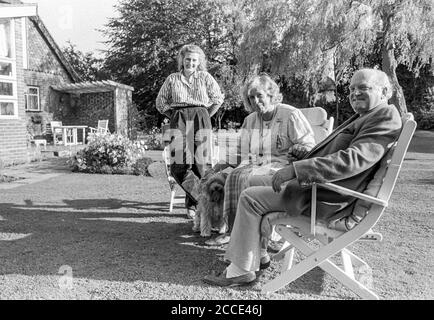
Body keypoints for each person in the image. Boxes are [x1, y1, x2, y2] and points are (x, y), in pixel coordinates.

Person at [203, 68, 403, 286]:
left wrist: (295, 170)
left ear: (384, 92)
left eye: (363, 88)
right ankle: (255, 256)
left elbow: (352, 160)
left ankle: (240, 269)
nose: (355, 93)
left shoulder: (384, 117)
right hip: (320, 189)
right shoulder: (368, 116)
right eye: (352, 89)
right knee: (247, 181)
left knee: (251, 197)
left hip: (327, 198)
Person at [204, 73, 316, 246]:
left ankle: (258, 234)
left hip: (282, 166)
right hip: (254, 164)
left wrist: (299, 150)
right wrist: (217, 167)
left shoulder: (290, 114)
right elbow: (240, 151)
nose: (255, 101)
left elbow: (309, 145)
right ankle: (235, 232)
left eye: (259, 96)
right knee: (234, 176)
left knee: (248, 178)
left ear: (270, 95)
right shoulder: (250, 120)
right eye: (251, 97)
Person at [156, 44, 224, 219]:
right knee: (179, 165)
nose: (191, 63)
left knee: (201, 165)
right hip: (178, 118)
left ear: (199, 61)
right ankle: (204, 200)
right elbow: (160, 102)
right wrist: (174, 116)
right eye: (188, 59)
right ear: (182, 60)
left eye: (194, 60)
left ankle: (193, 207)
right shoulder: (172, 79)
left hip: (201, 117)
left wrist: (205, 115)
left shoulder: (205, 77)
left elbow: (218, 98)